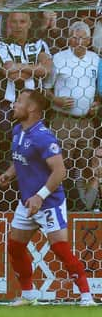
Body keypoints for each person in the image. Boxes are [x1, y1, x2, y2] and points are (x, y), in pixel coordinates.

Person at [0, 89, 96, 306]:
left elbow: (59, 171)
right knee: (15, 247)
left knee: (60, 249)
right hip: (27, 203)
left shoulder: (43, 137)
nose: (14, 104)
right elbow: (20, 159)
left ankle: (86, 296)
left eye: (19, 101)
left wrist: (40, 197)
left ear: (32, 108)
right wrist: (8, 174)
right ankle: (29, 294)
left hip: (48, 202)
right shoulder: (18, 131)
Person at [44, 22, 100, 211]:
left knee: (84, 165)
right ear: (69, 39)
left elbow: (99, 91)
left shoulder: (96, 59)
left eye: (83, 38)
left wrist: (97, 105)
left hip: (86, 123)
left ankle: (82, 205)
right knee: (61, 164)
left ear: (89, 40)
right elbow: (45, 90)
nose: (79, 42)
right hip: (62, 122)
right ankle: (57, 204)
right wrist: (56, 100)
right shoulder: (59, 58)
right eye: (75, 38)